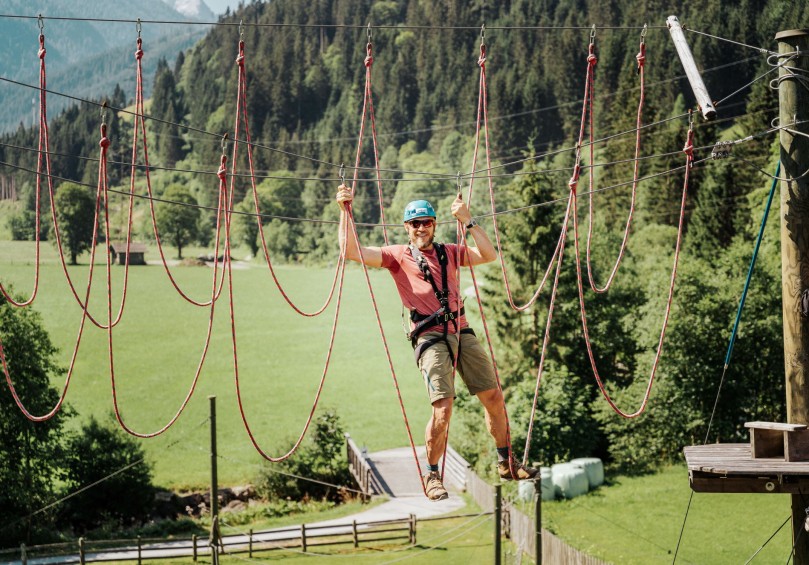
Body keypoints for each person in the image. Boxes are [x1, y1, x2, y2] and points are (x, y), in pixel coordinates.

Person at [336, 185, 537, 501]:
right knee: (443, 409)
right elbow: (351, 251)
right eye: (414, 224)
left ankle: (505, 461)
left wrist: (468, 221)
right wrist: (345, 210)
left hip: (461, 331)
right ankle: (431, 474)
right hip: (429, 337)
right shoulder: (396, 256)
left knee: (494, 397)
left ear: (433, 224)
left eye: (426, 222)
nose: (420, 228)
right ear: (406, 228)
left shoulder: (450, 252)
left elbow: (488, 255)